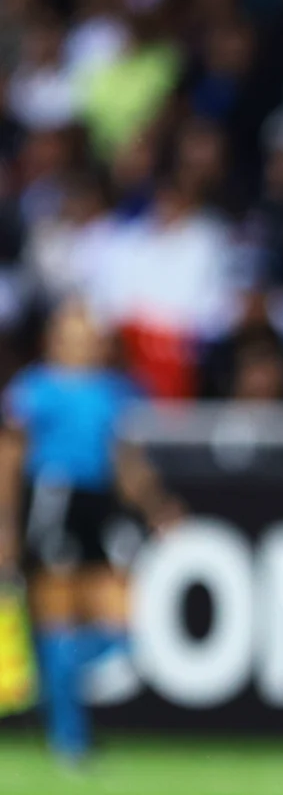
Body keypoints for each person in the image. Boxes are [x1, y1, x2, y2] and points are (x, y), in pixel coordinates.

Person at [0, 303, 182, 766]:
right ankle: (69, 736)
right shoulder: (34, 390)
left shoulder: (117, 391)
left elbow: (125, 459)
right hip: (55, 498)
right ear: (55, 338)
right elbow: (10, 458)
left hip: (101, 506)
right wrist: (5, 523)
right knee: (57, 611)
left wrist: (156, 505)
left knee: (120, 629)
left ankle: (48, 684)